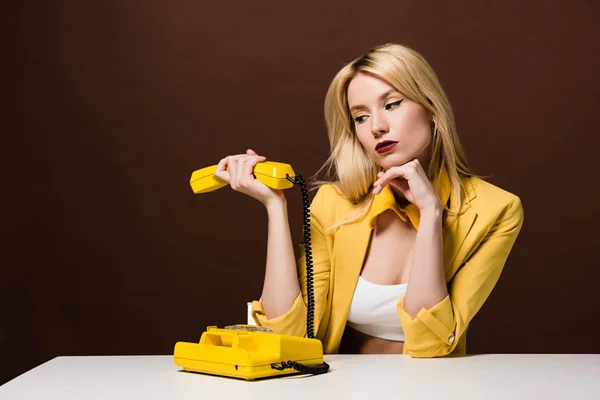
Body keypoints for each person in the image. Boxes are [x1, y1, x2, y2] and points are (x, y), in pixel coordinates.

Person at [213, 43, 524, 358]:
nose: (377, 126)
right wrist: (275, 207)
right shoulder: (334, 205)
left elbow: (432, 344)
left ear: (430, 107)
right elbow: (285, 337)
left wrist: (430, 213)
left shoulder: (495, 211)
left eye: (391, 105)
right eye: (361, 117)